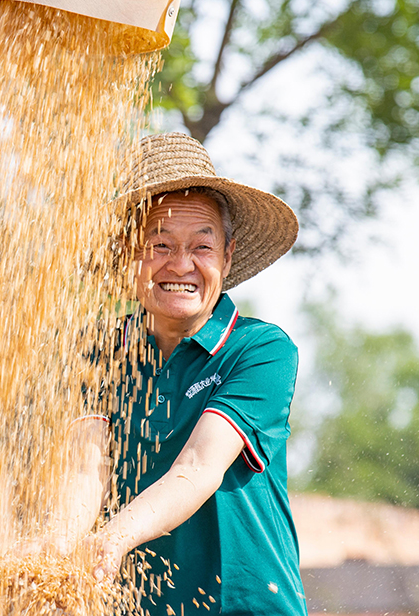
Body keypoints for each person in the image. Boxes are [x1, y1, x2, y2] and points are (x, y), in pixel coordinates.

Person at [65, 132, 307, 614]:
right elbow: (81, 469)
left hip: (243, 605)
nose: (181, 264)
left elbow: (197, 468)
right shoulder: (97, 351)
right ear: (130, 251)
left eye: (201, 245)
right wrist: (55, 547)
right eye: (160, 244)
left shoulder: (259, 350)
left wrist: (111, 540)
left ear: (227, 256)